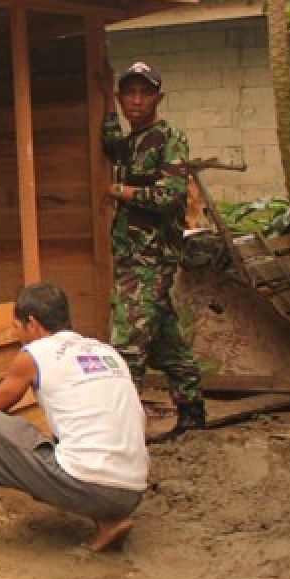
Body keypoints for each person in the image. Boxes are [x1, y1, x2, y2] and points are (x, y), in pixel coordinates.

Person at [0, 283, 149, 557]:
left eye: (17, 326)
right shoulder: (105, 352)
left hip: (89, 488)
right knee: (77, 439)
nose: (17, 335)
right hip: (131, 492)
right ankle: (110, 523)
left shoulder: (35, 354)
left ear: (33, 323)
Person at [101, 60, 205, 439]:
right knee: (166, 339)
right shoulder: (128, 144)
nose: (137, 100)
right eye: (129, 92)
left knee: (127, 345)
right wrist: (102, 95)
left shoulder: (169, 138)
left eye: (145, 93)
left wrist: (122, 192)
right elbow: (108, 142)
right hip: (131, 257)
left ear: (159, 97)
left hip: (152, 260)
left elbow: (170, 195)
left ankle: (119, 433)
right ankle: (192, 412)